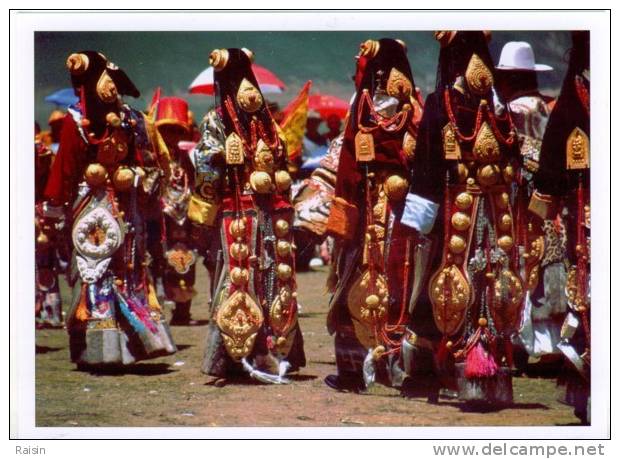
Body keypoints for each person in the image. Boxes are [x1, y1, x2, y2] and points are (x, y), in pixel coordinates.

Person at [402, 31, 522, 408]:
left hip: (456, 211)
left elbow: (427, 164)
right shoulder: (497, 105)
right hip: (494, 211)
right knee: (488, 282)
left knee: (444, 283)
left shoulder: (444, 102)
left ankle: (451, 366)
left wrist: (419, 220)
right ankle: (487, 370)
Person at [42, 51, 176, 368]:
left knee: (124, 267)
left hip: (121, 203)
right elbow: (66, 167)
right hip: (95, 203)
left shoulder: (129, 119)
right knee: (97, 268)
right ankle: (108, 347)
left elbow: (146, 162)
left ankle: (129, 343)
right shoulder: (81, 121)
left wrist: (137, 182)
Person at [189, 47, 305, 385]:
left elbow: (282, 157)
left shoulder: (266, 119)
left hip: (271, 209)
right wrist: (222, 156)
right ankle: (231, 355)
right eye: (238, 81)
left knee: (274, 277)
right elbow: (204, 164)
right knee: (239, 275)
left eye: (249, 80)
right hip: (237, 211)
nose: (247, 89)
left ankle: (275, 350)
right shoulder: (215, 120)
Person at [322, 38, 423, 393]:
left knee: (373, 281)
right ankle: (398, 370)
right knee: (396, 282)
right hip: (393, 212)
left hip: (377, 210)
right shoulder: (416, 109)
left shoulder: (365, 110)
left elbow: (347, 167)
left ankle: (358, 372)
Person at [529, 32, 590, 424]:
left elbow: (548, 174)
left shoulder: (571, 100)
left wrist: (540, 211)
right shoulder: (571, 101)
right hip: (584, 220)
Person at [494, 41, 565, 373]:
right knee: (544, 265)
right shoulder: (546, 106)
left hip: (520, 197)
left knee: (519, 265)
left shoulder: (513, 110)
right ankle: (548, 347)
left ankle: (517, 344)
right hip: (545, 197)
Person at [152, 96, 199, 325]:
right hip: (162, 217)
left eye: (175, 130)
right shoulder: (154, 158)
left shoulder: (186, 158)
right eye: (166, 130)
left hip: (185, 216)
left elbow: (195, 182)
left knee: (185, 262)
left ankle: (183, 310)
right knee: (162, 263)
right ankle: (160, 309)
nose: (171, 136)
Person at [35, 128, 63, 328]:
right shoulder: (43, 151)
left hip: (42, 210)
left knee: (46, 266)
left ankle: (50, 312)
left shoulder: (42, 151)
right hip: (40, 210)